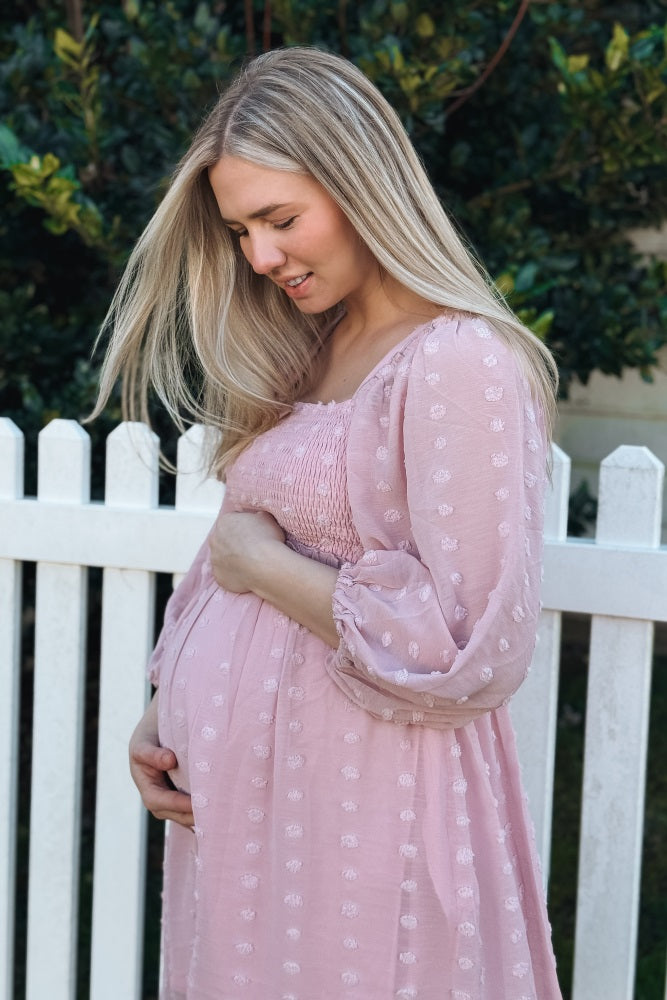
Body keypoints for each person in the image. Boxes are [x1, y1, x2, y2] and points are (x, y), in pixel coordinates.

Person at [93, 46, 563, 1000]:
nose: (260, 258)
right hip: (245, 810)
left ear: (361, 186)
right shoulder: (306, 348)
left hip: (367, 801)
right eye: (240, 231)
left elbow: (464, 645)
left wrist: (261, 566)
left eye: (280, 220)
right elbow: (229, 559)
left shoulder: (455, 361)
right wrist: (166, 709)